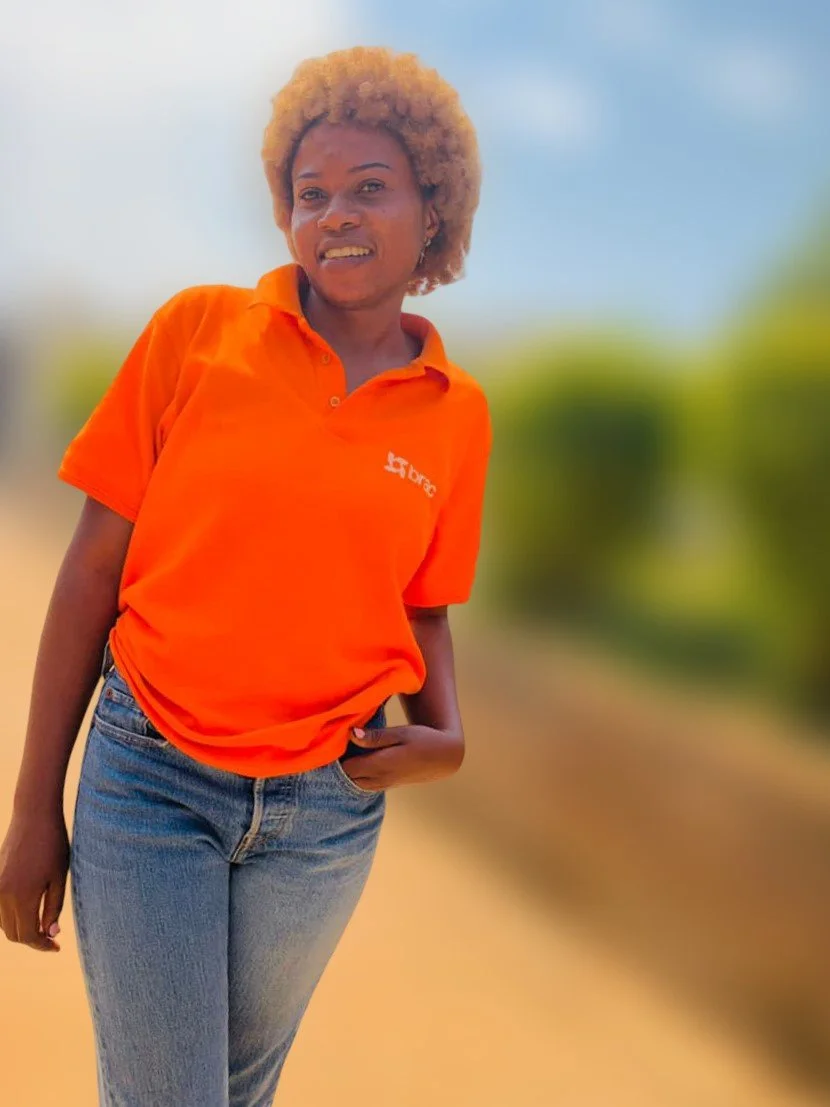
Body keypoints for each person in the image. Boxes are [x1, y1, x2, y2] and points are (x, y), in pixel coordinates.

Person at [0, 45, 491, 1106]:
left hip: (327, 810)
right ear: (284, 211)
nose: (335, 215)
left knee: (233, 1091)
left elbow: (424, 603)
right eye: (310, 194)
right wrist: (34, 806)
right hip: (151, 773)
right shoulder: (198, 334)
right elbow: (90, 571)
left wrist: (446, 733)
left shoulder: (457, 414)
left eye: (369, 188)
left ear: (432, 209)